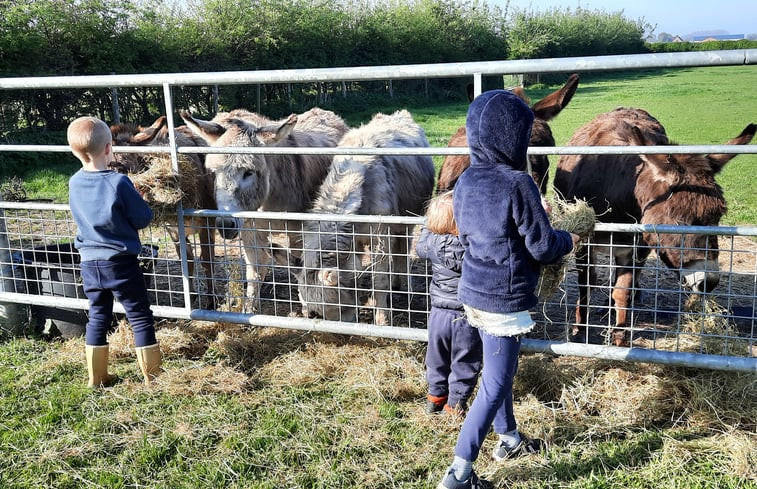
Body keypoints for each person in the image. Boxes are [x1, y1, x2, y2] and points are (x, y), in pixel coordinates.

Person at [436, 91, 580, 489]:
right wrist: (569, 239)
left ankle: (510, 439)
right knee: (496, 382)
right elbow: (542, 247)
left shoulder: (465, 180)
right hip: (505, 297)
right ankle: (459, 473)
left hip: (473, 291)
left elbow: (470, 233)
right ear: (516, 137)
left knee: (499, 372)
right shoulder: (519, 183)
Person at [67, 116, 161, 387]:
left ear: (74, 152)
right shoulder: (119, 182)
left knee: (98, 316)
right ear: (109, 148)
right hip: (120, 262)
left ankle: (96, 377)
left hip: (89, 263)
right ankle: (152, 377)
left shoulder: (74, 182)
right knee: (139, 315)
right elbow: (143, 218)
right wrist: (141, 198)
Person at [416, 190, 482, 416]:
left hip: (438, 314)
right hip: (466, 316)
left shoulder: (430, 245)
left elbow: (419, 245)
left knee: (436, 357)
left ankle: (435, 397)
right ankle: (455, 405)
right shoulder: (472, 247)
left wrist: (429, 223)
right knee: (464, 360)